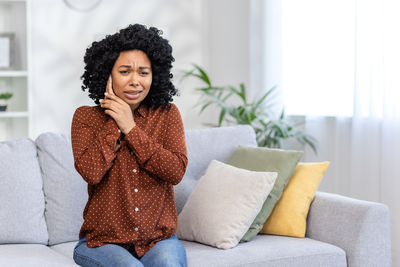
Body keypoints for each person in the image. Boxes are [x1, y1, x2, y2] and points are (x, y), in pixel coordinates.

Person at [71, 23, 188, 267]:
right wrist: (117, 120)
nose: (135, 81)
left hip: (159, 240)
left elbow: (175, 171)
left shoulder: (167, 114)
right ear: (108, 75)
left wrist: (131, 129)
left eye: (143, 73)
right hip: (102, 243)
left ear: (154, 76)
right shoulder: (85, 118)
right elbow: (91, 172)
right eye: (125, 71)